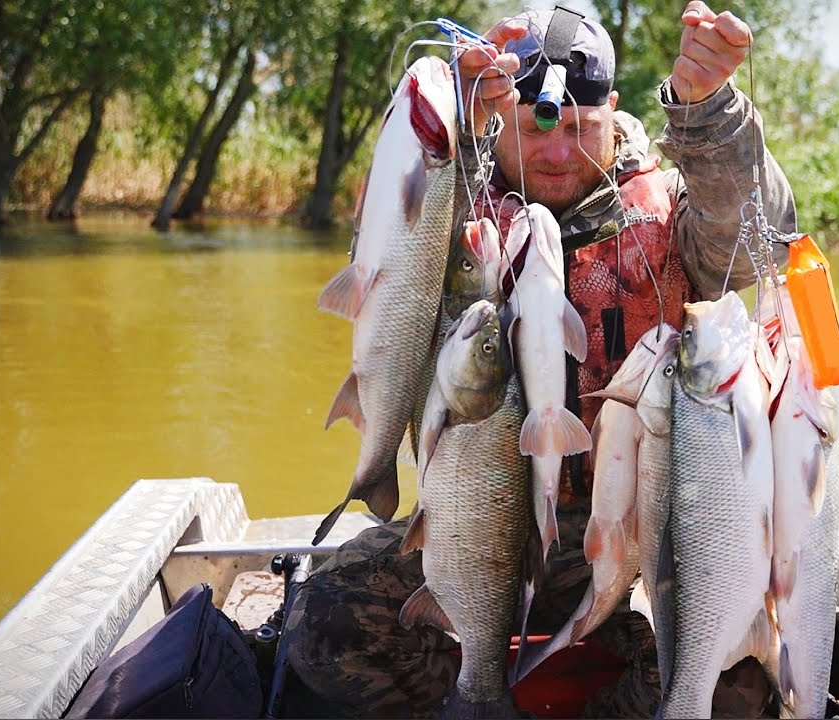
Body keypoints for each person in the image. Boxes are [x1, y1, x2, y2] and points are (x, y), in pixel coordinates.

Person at [282, 2, 806, 717]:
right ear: (501, 117)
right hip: (482, 521)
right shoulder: (448, 204)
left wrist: (710, 113)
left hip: (639, 539)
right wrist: (454, 126)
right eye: (535, 129)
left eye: (582, 128)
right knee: (326, 622)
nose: (558, 154)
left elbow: (760, 245)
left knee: (740, 682)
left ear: (613, 109)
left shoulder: (673, 209)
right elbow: (384, 281)